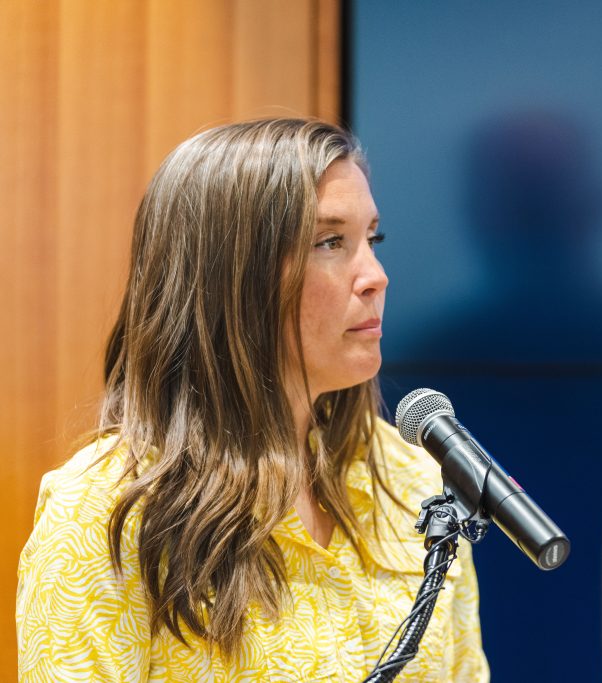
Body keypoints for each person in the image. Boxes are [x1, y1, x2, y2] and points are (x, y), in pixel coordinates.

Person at [17, 119, 489, 682]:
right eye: (330, 242)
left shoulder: (414, 482)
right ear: (229, 278)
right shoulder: (103, 514)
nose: (376, 277)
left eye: (373, 239)